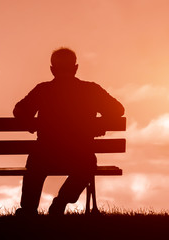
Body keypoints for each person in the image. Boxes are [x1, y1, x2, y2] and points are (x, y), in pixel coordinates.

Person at [14, 47, 125, 216]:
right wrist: (99, 126)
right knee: (87, 165)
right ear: (75, 68)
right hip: (80, 154)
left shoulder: (43, 90)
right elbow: (118, 110)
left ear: (52, 70)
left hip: (46, 154)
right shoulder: (91, 90)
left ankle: (29, 209)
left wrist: (31, 124)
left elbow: (19, 110)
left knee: (34, 164)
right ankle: (62, 201)